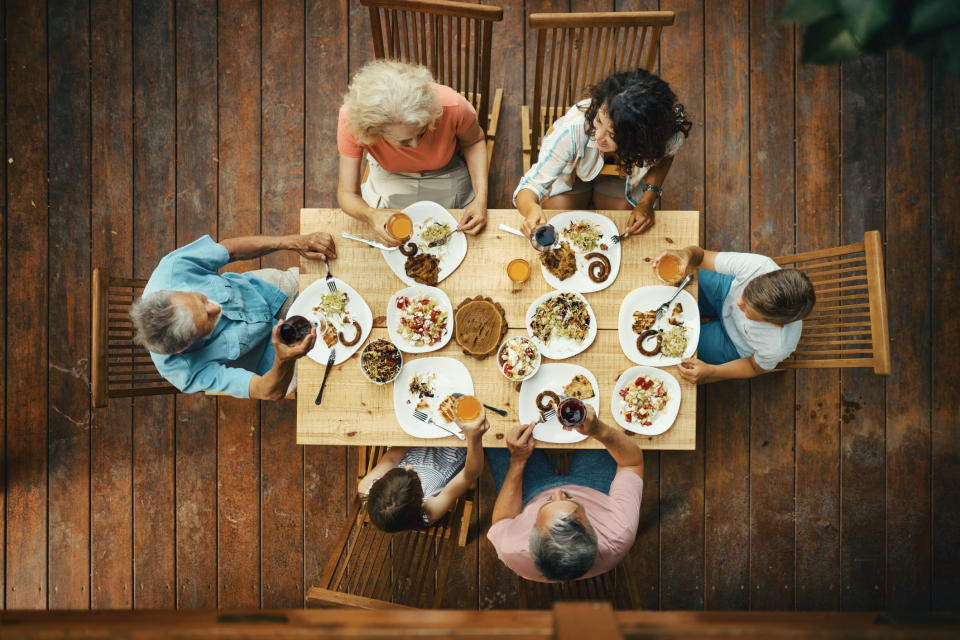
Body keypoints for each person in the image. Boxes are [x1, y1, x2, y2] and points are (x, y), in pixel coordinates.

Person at [129, 233, 336, 400]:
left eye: (201, 299)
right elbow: (265, 391)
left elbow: (230, 249)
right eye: (208, 322)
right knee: (339, 376)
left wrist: (292, 242)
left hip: (269, 292)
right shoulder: (184, 371)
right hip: (273, 357)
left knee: (336, 281)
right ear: (185, 349)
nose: (216, 309)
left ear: (171, 291)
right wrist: (284, 360)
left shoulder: (173, 269)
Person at [515, 67, 691, 239]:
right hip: (572, 174)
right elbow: (530, 187)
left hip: (622, 177)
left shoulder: (667, 137)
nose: (598, 136)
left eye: (613, 135)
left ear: (641, 140)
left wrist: (647, 201)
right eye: (598, 120)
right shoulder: (573, 128)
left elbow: (666, 156)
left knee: (623, 222)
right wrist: (531, 208)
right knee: (557, 213)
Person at [337, 59, 488, 247]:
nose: (416, 145)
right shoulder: (351, 121)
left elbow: (475, 141)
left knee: (460, 235)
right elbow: (347, 193)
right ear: (372, 132)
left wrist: (481, 199)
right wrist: (370, 215)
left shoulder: (452, 104)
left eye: (422, 131)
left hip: (447, 171)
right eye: (404, 141)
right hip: (391, 176)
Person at [486, 406, 644, 582]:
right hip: (594, 486)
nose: (558, 491)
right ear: (593, 529)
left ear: (531, 534)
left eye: (548, 502)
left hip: (530, 493)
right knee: (615, 416)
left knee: (495, 427)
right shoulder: (619, 530)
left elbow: (503, 519)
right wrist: (599, 430)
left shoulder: (511, 548)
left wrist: (517, 460)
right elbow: (631, 463)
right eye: (570, 499)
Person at [653, 246, 816, 384]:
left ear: (775, 324)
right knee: (673, 286)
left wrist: (710, 371)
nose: (738, 304)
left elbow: (753, 366)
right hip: (723, 291)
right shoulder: (759, 266)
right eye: (745, 293)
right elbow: (701, 256)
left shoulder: (778, 345)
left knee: (674, 353)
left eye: (748, 312)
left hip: (733, 343)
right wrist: (685, 254)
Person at [359, 417, 488, 531]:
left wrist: (423, 428)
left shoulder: (366, 487)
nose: (409, 466)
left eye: (402, 470)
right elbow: (469, 474)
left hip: (411, 441)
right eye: (415, 476)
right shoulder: (430, 511)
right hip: (451, 451)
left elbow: (392, 458)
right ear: (420, 500)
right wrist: (474, 438)